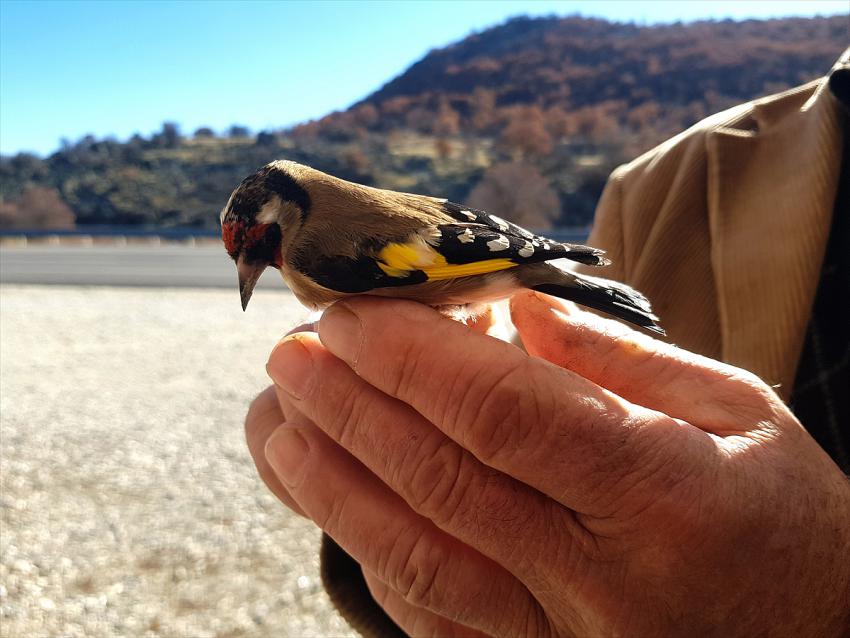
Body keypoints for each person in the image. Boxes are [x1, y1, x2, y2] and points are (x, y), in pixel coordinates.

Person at [244, 48, 850, 637]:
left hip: (465, 272)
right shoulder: (659, 185)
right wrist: (391, 543)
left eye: (255, 246)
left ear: (287, 216)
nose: (251, 268)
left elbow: (439, 259)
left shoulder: (315, 250)